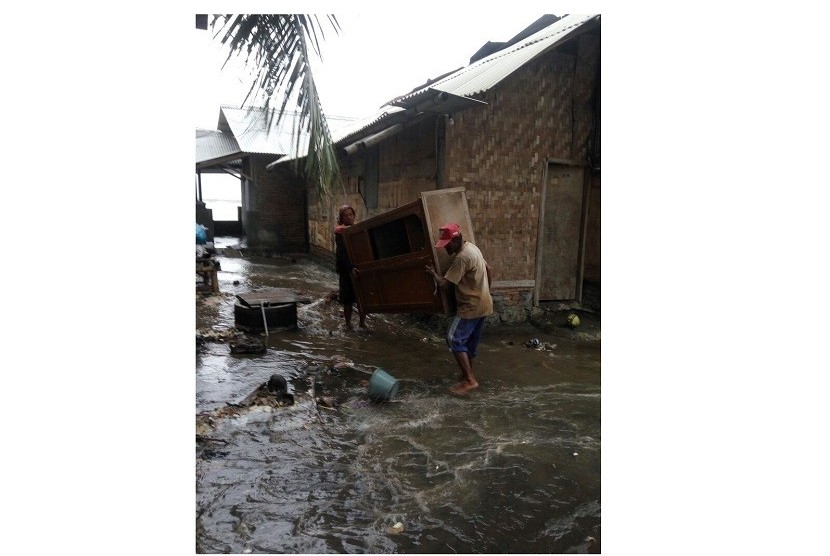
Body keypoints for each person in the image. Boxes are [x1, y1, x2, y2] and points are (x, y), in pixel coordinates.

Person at [425, 223, 493, 395]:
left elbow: (445, 285)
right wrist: (486, 291)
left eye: (447, 244)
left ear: (456, 240)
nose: (445, 248)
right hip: (484, 304)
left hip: (470, 307)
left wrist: (433, 273)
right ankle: (467, 375)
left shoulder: (462, 258)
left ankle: (470, 380)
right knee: (469, 342)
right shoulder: (473, 248)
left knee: (453, 339)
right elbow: (489, 269)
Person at [334, 204, 367, 330]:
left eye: (350, 215)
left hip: (359, 267)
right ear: (341, 218)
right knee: (347, 297)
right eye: (345, 215)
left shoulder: (357, 229)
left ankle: (362, 323)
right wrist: (350, 268)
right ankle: (348, 323)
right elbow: (342, 254)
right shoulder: (340, 232)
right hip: (346, 269)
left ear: (354, 215)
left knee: (362, 297)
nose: (349, 217)